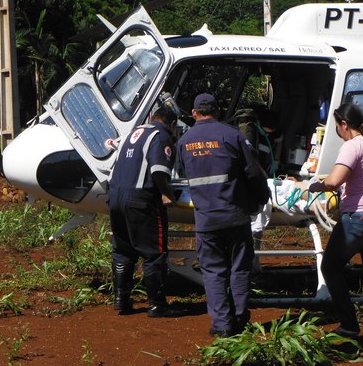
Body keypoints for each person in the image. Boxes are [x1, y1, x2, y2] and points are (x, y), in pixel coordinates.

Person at [177, 93, 270, 336]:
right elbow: (254, 174)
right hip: (235, 217)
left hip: (206, 220)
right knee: (240, 268)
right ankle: (239, 319)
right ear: (218, 111)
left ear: (195, 113)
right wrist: (260, 201)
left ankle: (221, 325)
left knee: (213, 272)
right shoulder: (233, 135)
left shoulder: (184, 141)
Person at [309, 103, 363, 345]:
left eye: (337, 126)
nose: (338, 131)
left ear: (344, 125)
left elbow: (334, 181)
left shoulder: (351, 146)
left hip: (360, 217)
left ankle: (349, 324)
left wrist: (317, 185)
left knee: (331, 267)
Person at [108, 105, 179, 317]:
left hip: (116, 197)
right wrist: (167, 193)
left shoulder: (132, 134)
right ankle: (157, 304)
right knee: (154, 253)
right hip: (140, 200)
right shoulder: (160, 136)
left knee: (122, 250)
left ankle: (121, 299)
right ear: (172, 124)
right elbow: (158, 171)